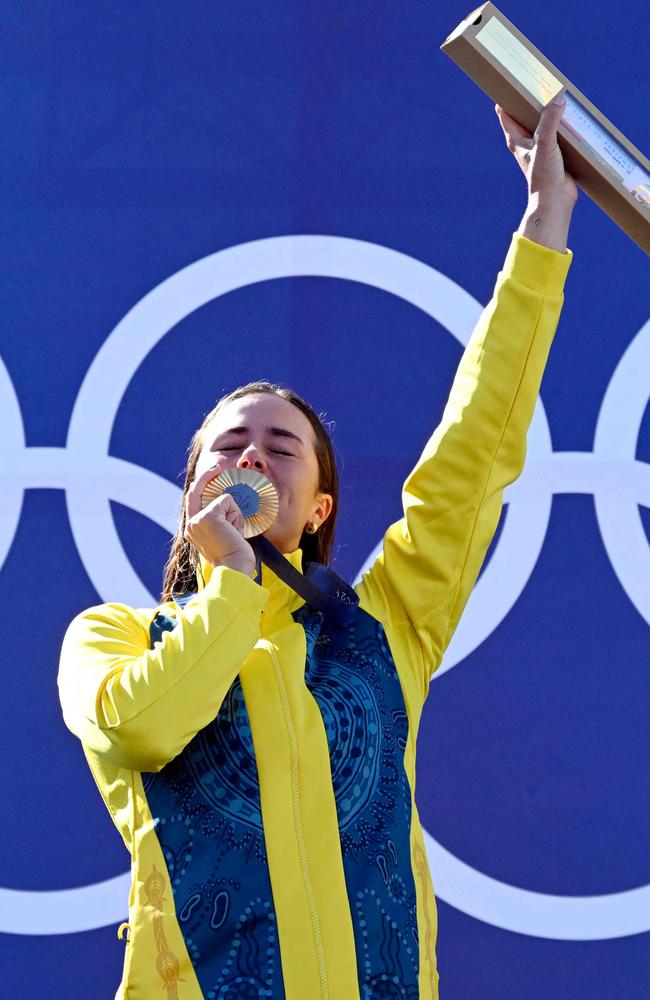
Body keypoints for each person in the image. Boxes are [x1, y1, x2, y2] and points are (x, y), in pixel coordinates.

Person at [58, 95, 577, 1000]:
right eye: (228, 445)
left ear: (319, 503)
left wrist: (543, 230)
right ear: (191, 493)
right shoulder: (110, 639)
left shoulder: (385, 628)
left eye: (281, 445)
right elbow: (143, 725)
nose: (252, 452)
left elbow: (475, 451)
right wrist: (229, 587)